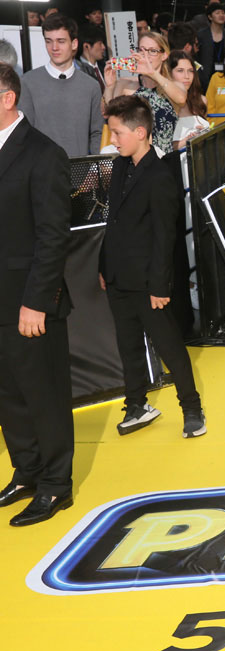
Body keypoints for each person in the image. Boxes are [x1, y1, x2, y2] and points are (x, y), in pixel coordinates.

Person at [100, 95, 206, 439]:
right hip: (118, 277)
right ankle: (136, 405)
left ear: (141, 132)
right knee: (128, 346)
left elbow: (165, 237)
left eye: (117, 133)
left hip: (148, 282)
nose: (113, 140)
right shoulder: (119, 167)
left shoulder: (161, 176)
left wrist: (160, 285)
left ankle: (192, 408)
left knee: (169, 346)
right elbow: (113, 223)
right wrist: (104, 265)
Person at [0, 63, 75, 527]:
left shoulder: (44, 153)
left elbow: (53, 236)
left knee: (44, 396)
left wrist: (36, 302)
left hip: (29, 303)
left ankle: (55, 484)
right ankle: (26, 470)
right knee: (9, 395)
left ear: (7, 99)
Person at [19, 14, 103, 157]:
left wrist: (96, 167)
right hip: (41, 168)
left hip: (81, 167)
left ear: (74, 44)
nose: (54, 47)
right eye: (49, 41)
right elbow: (24, 133)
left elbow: (97, 133)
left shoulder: (91, 86)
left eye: (61, 41)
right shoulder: (27, 82)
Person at [103, 31, 186, 156]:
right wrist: (109, 87)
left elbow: (181, 99)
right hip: (134, 160)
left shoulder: (174, 86)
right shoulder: (126, 85)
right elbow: (109, 115)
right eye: (141, 50)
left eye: (152, 51)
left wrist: (152, 73)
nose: (145, 56)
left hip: (164, 160)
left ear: (164, 55)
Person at [168, 51, 209, 148]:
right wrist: (187, 140)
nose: (187, 76)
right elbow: (161, 147)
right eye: (180, 71)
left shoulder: (201, 101)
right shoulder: (163, 103)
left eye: (190, 71)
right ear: (169, 73)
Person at [197, 2, 225, 91]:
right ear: (210, 17)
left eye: (223, 13)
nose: (221, 15)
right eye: (217, 13)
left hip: (224, 73)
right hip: (205, 75)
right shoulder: (201, 34)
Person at [76, 23, 107, 94]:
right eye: (100, 43)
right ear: (86, 46)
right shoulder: (78, 70)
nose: (103, 47)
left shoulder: (105, 66)